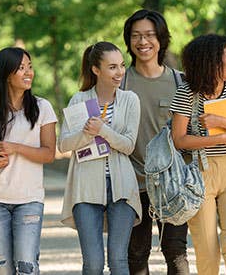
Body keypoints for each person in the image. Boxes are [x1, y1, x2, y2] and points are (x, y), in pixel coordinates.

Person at [170, 34, 226, 275]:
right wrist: (218, 138)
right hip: (200, 173)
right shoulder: (187, 92)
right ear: (211, 62)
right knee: (207, 249)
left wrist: (222, 122)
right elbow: (179, 140)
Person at [0, 47, 57, 274]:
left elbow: (48, 154)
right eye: (21, 68)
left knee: (27, 265)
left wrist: (15, 148)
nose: (29, 73)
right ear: (6, 74)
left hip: (29, 199)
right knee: (2, 268)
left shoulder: (42, 108)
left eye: (30, 67)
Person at [59, 41, 142, 275]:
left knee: (118, 261)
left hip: (122, 187)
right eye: (112, 67)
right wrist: (86, 133)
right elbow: (63, 144)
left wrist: (103, 130)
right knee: (93, 264)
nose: (120, 72)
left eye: (122, 66)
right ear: (96, 70)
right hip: (85, 187)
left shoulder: (130, 100)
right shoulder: (78, 100)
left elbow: (128, 145)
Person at [121, 9, 189, 275]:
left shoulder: (181, 81)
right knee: (136, 254)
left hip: (172, 184)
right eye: (136, 36)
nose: (142, 42)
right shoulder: (120, 81)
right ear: (128, 41)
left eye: (149, 35)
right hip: (131, 183)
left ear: (161, 39)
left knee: (176, 252)